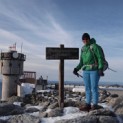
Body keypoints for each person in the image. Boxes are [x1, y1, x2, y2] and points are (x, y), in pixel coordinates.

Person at [73, 33, 104, 111]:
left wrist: (100, 68)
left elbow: (100, 58)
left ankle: (95, 105)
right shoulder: (83, 49)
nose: (85, 41)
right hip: (85, 71)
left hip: (94, 70)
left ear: (89, 39)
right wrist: (76, 69)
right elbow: (81, 62)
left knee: (94, 88)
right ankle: (88, 104)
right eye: (83, 39)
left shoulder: (94, 46)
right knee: (87, 88)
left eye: (86, 39)